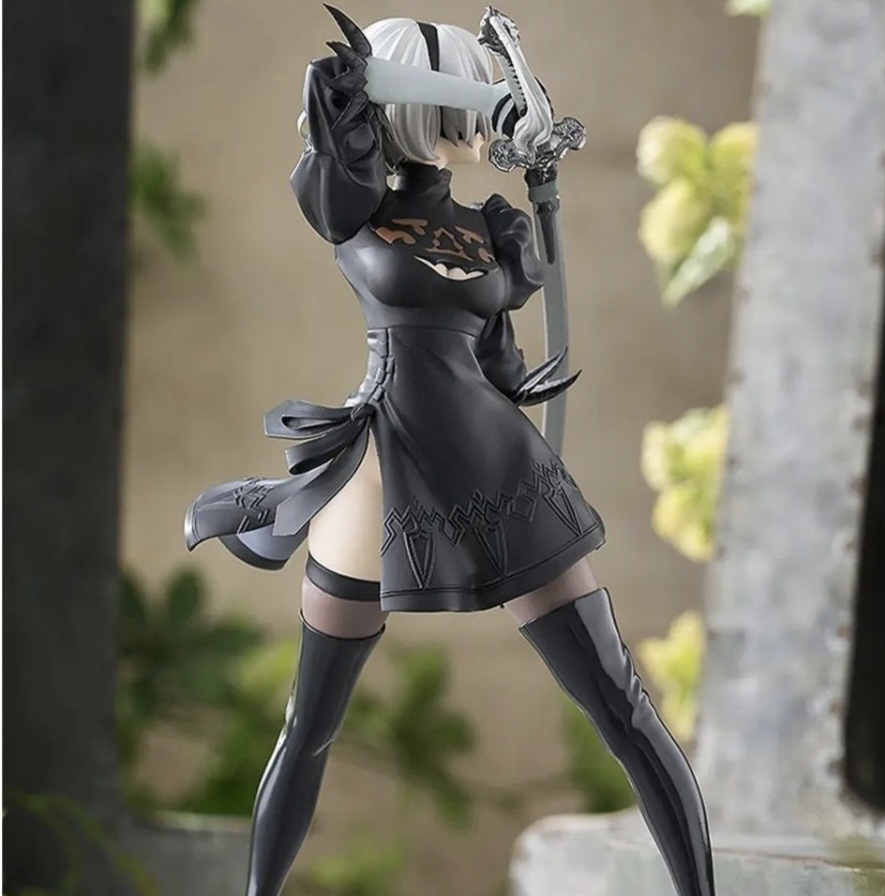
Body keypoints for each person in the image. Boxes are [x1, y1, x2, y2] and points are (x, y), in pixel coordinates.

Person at [185, 10, 717, 896]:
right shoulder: (354, 207)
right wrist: (433, 93)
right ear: (417, 105)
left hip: (498, 468)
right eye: (466, 98)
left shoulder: (489, 226)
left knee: (624, 707)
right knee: (310, 725)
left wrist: (537, 189)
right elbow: (338, 118)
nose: (484, 118)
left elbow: (496, 360)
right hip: (381, 472)